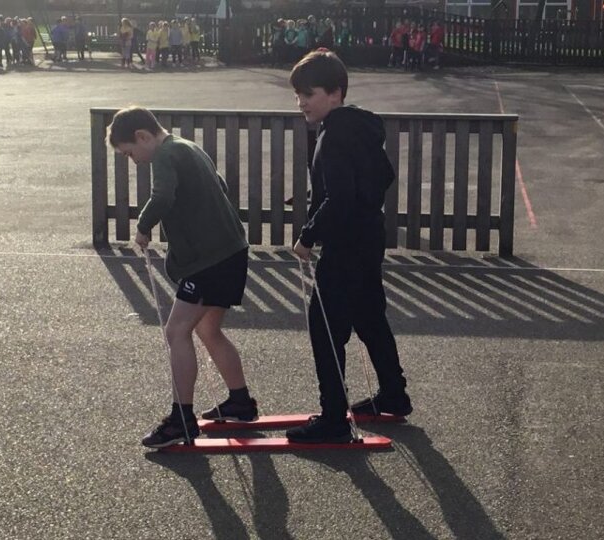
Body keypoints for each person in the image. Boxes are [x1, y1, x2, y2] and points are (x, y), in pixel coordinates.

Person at [106, 107, 256, 448]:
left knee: (176, 331)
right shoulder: (188, 146)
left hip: (210, 260)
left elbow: (162, 196)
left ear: (143, 136)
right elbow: (220, 185)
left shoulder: (165, 155)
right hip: (231, 251)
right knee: (207, 329)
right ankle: (240, 402)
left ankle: (182, 420)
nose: (134, 161)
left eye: (130, 153)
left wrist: (143, 227)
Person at [285, 50, 412, 444]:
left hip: (346, 244)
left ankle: (333, 418)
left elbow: (340, 197)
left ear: (335, 93)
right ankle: (393, 394)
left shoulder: (334, 134)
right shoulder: (360, 127)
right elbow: (382, 176)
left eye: (309, 93)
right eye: (298, 94)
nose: (301, 102)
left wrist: (308, 235)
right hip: (369, 235)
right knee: (370, 317)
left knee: (325, 328)